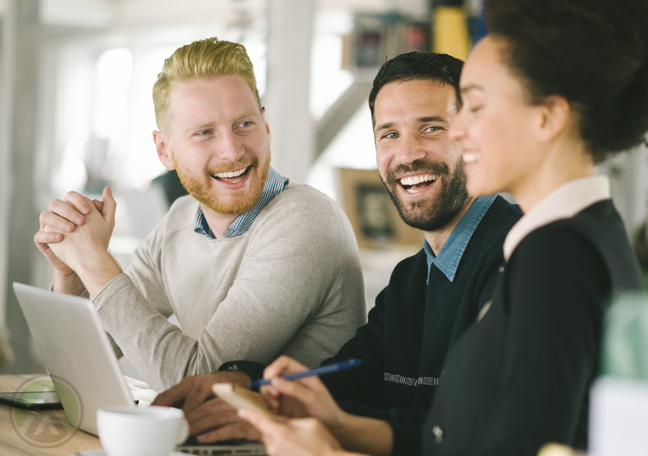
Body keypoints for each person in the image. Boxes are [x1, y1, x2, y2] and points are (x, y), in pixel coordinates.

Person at [235, 0, 648, 454]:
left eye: (475, 107)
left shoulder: (558, 257)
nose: (461, 130)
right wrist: (338, 423)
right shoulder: (564, 241)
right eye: (388, 133)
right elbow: (462, 437)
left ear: (547, 117)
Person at [151, 52, 522, 443]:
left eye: (431, 128)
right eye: (390, 134)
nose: (408, 154)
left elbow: (482, 433)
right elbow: (347, 381)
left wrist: (320, 422)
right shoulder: (411, 280)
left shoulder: (521, 256)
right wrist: (245, 384)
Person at [33, 37, 367, 393]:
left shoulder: (306, 221)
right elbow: (76, 362)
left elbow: (196, 384)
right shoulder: (180, 220)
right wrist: (71, 274)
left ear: (266, 127)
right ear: (165, 150)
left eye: (244, 125)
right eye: (205, 132)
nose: (232, 150)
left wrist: (96, 262)